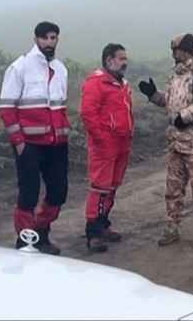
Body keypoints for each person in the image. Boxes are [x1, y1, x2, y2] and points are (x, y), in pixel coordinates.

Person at [139, 34, 193, 250]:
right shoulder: (177, 75)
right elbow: (171, 102)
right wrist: (154, 95)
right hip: (176, 142)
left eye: (174, 51)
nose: (172, 55)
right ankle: (172, 227)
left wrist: (184, 116)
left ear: (183, 51)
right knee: (173, 189)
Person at [0, 21, 70, 254]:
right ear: (36, 39)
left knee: (59, 191)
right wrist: (19, 143)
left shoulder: (61, 69)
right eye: (46, 38)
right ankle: (25, 242)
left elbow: (60, 107)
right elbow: (7, 108)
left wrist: (64, 134)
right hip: (29, 144)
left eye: (54, 38)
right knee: (28, 193)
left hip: (57, 144)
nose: (50, 42)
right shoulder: (19, 68)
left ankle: (40, 233)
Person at [80, 43, 134, 253]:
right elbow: (88, 114)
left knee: (112, 186)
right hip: (105, 144)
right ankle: (93, 232)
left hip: (122, 143)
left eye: (125, 58)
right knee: (99, 187)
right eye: (121, 59)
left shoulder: (121, 83)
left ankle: (103, 224)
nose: (125, 62)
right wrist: (101, 139)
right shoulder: (96, 82)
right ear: (109, 60)